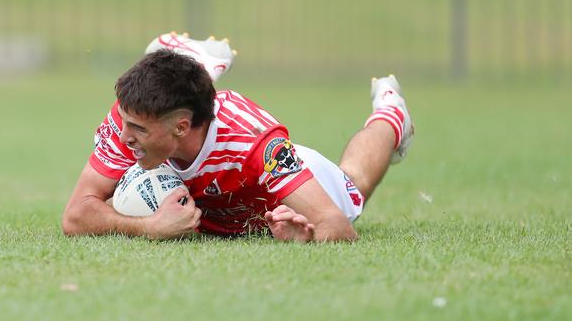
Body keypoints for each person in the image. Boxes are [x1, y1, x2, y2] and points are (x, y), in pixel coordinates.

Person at [62, 32, 414, 242]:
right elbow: (75, 216)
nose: (124, 137)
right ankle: (195, 63)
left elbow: (335, 226)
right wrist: (148, 227)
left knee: (354, 183)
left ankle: (391, 115)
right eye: (124, 123)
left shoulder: (257, 145)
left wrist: (308, 237)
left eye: (137, 130)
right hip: (215, 192)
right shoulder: (133, 111)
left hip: (288, 181)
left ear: (181, 127)